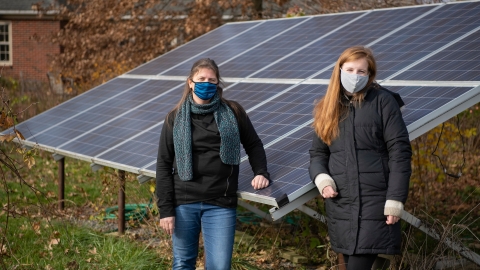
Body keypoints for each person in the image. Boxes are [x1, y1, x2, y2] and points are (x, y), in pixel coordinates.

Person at [156, 58, 270, 270]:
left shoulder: (233, 112)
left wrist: (260, 172)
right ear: (190, 82)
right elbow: (163, 164)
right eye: (201, 79)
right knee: (182, 263)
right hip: (184, 201)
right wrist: (166, 210)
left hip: (220, 202)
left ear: (218, 84)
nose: (206, 84)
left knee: (219, 266)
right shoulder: (174, 118)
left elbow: (254, 144)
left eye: (212, 80)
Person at [308, 46, 412, 270]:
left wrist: (395, 200)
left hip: (375, 203)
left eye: (361, 72)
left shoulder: (383, 102)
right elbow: (317, 153)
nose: (355, 76)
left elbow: (400, 153)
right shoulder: (327, 107)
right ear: (339, 71)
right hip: (341, 204)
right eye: (350, 69)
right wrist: (322, 179)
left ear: (370, 74)